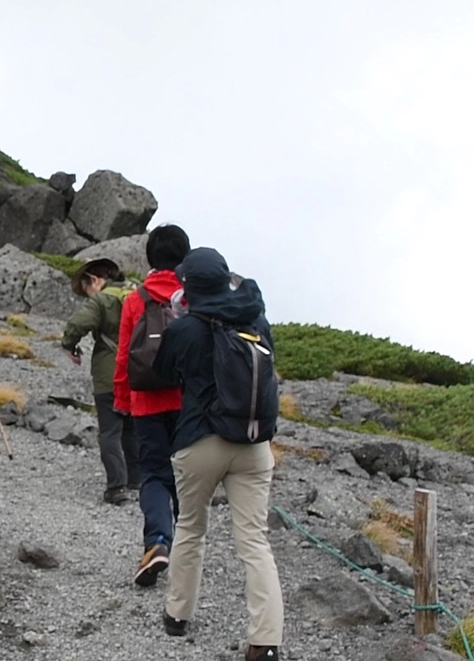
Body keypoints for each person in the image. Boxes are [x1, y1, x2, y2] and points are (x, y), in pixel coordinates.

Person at [153, 247, 283, 661]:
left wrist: (178, 325)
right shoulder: (256, 318)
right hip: (254, 443)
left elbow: (162, 373)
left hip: (200, 441)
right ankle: (265, 641)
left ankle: (178, 614)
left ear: (187, 286)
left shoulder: (186, 328)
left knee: (191, 526)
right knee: (254, 541)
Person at [114, 224, 190, 587]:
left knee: (155, 474)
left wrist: (122, 400)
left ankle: (157, 542)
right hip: (187, 401)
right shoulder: (191, 299)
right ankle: (190, 555)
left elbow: (124, 357)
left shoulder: (134, 299)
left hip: (146, 403)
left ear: (150, 258)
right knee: (187, 476)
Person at [61, 258, 140, 505]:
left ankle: (116, 487)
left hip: (111, 374)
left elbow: (77, 324)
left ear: (95, 280)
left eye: (86, 288)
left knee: (110, 431)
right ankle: (136, 479)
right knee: (131, 428)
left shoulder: (102, 299)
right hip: (140, 373)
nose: (88, 294)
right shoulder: (139, 292)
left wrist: (69, 345)